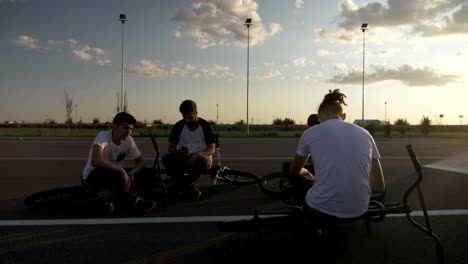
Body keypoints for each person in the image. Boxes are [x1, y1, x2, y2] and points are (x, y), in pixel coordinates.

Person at [288, 89, 385, 232]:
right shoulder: (366, 134)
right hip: (360, 209)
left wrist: (306, 171)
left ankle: (311, 224)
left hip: (324, 210)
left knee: (300, 182)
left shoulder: (310, 133)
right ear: (344, 116)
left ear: (319, 119)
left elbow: (294, 170)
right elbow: (379, 186)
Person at [82, 112, 157, 213]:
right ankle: (136, 202)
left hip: (117, 178)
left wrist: (131, 173)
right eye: (125, 128)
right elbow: (96, 161)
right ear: (115, 127)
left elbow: (141, 162)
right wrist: (121, 171)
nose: (129, 132)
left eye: (131, 129)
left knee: (149, 174)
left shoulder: (129, 140)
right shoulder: (103, 136)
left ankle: (114, 203)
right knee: (117, 175)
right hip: (93, 177)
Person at [162, 99, 216, 200]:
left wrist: (196, 155)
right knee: (166, 158)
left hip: (201, 157)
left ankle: (181, 184)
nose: (187, 120)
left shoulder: (204, 125)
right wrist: (178, 153)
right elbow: (171, 147)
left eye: (190, 117)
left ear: (196, 113)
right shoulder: (179, 125)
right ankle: (187, 186)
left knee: (202, 161)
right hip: (183, 157)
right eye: (185, 118)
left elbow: (211, 149)